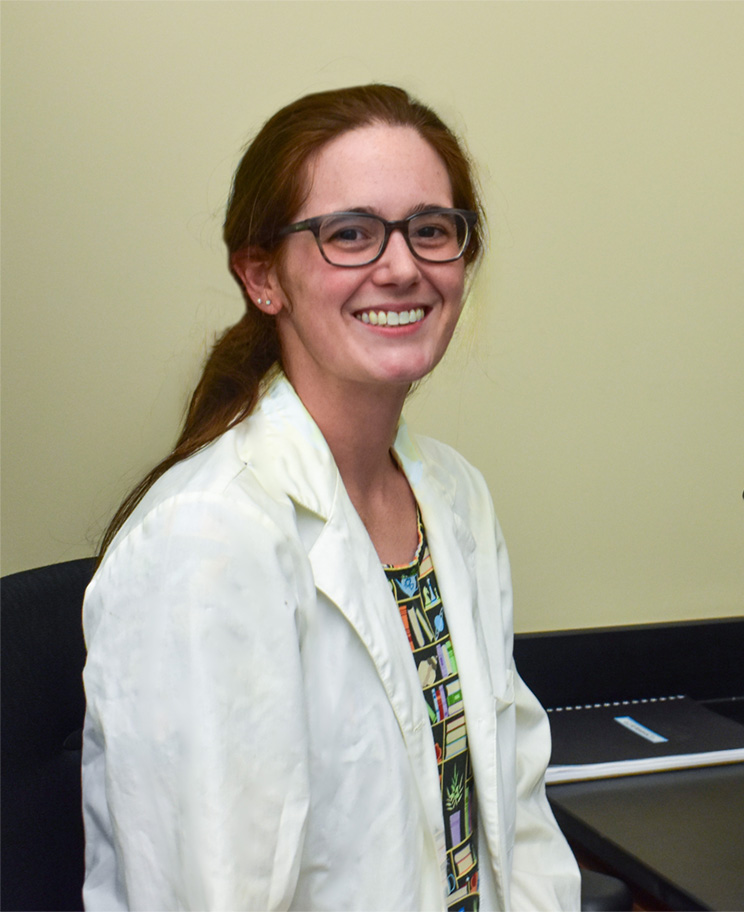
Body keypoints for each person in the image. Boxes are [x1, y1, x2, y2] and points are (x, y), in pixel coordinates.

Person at [81, 84, 581, 911]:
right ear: (262, 277)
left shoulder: (452, 496)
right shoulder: (208, 537)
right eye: (349, 233)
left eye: (431, 229)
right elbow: (215, 892)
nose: (401, 266)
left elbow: (515, 821)